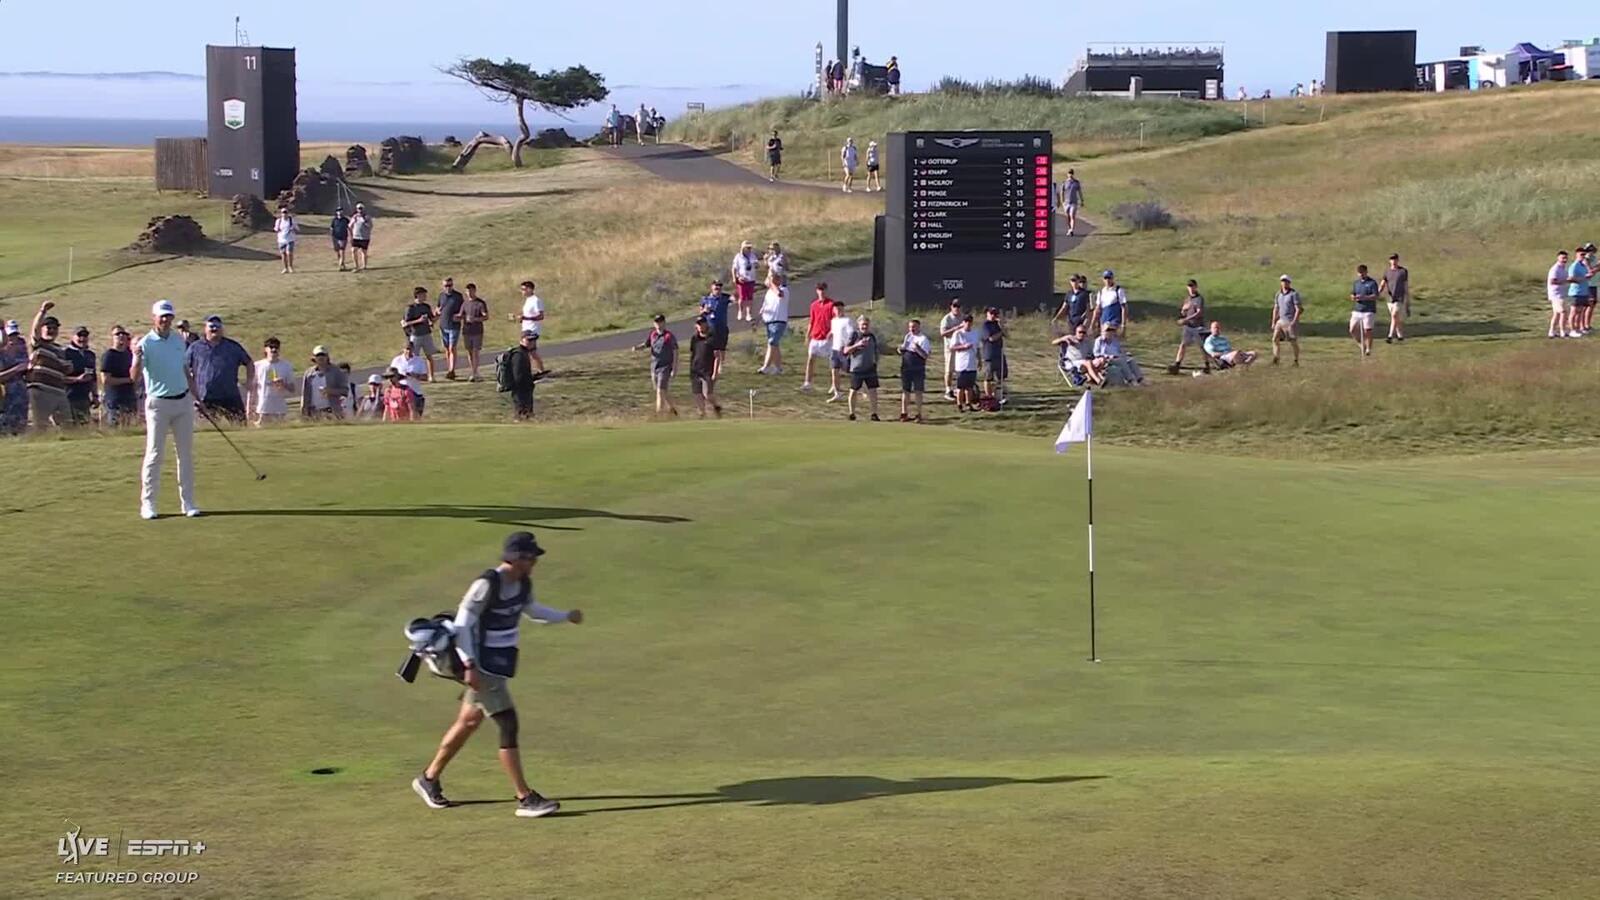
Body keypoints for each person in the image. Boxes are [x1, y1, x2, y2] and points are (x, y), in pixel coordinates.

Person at [411, 531, 583, 819]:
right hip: (482, 667)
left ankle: (428, 779)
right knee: (508, 724)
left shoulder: (522, 583)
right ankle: (525, 797)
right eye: (531, 558)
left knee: (468, 722)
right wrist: (469, 665)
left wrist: (564, 616)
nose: (535, 563)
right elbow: (462, 627)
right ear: (517, 558)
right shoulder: (486, 585)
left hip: (498, 664)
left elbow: (533, 610)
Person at [130, 300, 200, 519]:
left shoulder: (179, 341)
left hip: (183, 401)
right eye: (162, 316)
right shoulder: (145, 343)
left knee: (185, 455)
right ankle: (148, 504)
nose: (165, 320)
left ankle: (188, 503)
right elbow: (134, 377)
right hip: (158, 405)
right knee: (154, 454)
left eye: (169, 316)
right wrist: (136, 358)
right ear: (154, 318)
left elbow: (185, 371)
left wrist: (196, 396)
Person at [187, 315, 254, 423]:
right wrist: (191, 391)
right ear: (205, 328)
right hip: (205, 396)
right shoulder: (195, 347)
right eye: (211, 326)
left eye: (218, 326)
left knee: (240, 426)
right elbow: (184, 367)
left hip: (230, 395)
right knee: (207, 427)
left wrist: (249, 381)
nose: (215, 329)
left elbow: (249, 362)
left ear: (222, 329)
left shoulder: (232, 347)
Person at [23, 302, 73, 430]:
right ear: (42, 329)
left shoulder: (60, 350)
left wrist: (68, 368)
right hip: (41, 390)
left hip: (59, 391)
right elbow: (34, 329)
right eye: (48, 327)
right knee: (40, 425)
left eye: (55, 328)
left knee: (67, 425)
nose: (52, 330)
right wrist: (42, 311)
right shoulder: (38, 344)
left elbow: (66, 369)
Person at [632, 314, 678, 416]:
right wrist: (637, 348)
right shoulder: (653, 335)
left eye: (660, 322)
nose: (658, 324)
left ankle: (659, 413)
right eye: (657, 322)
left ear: (664, 323)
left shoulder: (669, 336)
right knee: (662, 390)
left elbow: (675, 351)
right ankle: (673, 409)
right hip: (654, 366)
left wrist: (674, 367)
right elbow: (647, 344)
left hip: (665, 366)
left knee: (660, 390)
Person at [842, 315, 881, 422]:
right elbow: (845, 350)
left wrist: (875, 362)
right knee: (853, 390)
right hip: (856, 368)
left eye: (866, 324)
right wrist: (857, 345)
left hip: (870, 368)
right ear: (858, 325)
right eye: (863, 324)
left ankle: (874, 413)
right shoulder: (854, 336)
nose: (865, 326)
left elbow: (876, 351)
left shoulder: (872, 336)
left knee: (873, 391)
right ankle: (852, 413)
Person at [801, 281, 837, 392]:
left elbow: (835, 320)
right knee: (811, 359)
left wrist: (832, 332)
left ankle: (834, 384)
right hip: (815, 336)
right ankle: (807, 382)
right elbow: (811, 321)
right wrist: (807, 335)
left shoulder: (831, 304)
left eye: (823, 289)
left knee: (833, 362)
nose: (821, 292)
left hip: (827, 337)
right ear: (817, 291)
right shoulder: (813, 305)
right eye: (819, 290)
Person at [99, 325, 138, 427]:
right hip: (115, 399)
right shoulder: (109, 355)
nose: (121, 336)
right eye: (117, 334)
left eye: (123, 333)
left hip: (129, 397)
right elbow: (106, 379)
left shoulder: (129, 354)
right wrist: (128, 380)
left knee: (131, 428)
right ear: (112, 337)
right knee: (115, 428)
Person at [1169, 279, 1208, 375]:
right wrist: (1183, 312)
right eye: (1189, 286)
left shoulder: (1199, 299)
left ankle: (1207, 365)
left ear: (1196, 287)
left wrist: (1186, 319)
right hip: (1188, 326)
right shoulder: (1188, 299)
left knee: (1202, 347)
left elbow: (1199, 313)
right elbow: (1184, 311)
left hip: (1198, 326)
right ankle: (1177, 365)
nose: (1191, 288)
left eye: (1192, 286)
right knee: (1183, 345)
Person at [300, 345, 348, 420]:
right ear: (314, 357)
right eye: (318, 355)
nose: (321, 357)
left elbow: (345, 391)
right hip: (313, 412)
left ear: (327, 356)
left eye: (323, 355)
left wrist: (330, 391)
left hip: (332, 411)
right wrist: (304, 411)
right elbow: (305, 394)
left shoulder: (336, 371)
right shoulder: (308, 374)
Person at [896, 318, 930, 423]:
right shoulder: (908, 336)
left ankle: (918, 414)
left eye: (914, 327)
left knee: (918, 391)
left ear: (919, 327)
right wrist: (900, 349)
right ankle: (904, 413)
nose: (912, 329)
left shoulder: (923, 339)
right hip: (906, 367)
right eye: (910, 327)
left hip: (918, 368)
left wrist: (917, 349)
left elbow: (925, 356)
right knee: (905, 391)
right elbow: (904, 348)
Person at [401, 287, 439, 382]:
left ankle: (431, 376)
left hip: (426, 334)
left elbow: (432, 319)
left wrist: (438, 315)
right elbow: (405, 323)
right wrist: (419, 320)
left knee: (429, 356)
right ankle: (413, 375)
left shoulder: (426, 306)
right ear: (417, 295)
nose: (425, 296)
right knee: (414, 357)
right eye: (423, 294)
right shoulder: (411, 308)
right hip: (415, 335)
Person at [253, 337, 294, 425]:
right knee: (260, 427)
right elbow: (252, 387)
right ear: (266, 349)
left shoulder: (287, 366)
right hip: (263, 406)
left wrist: (283, 384)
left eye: (276, 347)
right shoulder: (257, 365)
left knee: (280, 428)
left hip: (279, 407)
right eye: (271, 347)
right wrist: (250, 406)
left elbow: (292, 389)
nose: (274, 349)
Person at [63, 325, 98, 425]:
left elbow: (93, 378)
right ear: (73, 337)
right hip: (68, 397)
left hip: (84, 398)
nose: (82, 338)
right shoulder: (65, 353)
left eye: (85, 336)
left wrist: (95, 396)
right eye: (79, 335)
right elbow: (58, 377)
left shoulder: (90, 355)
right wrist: (77, 379)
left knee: (84, 426)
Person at [688, 317, 722, 418]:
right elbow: (693, 354)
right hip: (696, 370)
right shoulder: (694, 339)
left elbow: (717, 356)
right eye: (698, 324)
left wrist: (715, 372)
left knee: (707, 394)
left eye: (702, 324)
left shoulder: (712, 338)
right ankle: (702, 414)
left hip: (707, 370)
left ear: (706, 324)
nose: (700, 326)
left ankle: (716, 406)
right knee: (697, 394)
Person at [699, 279, 734, 379]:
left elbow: (734, 298)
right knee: (712, 347)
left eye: (719, 287)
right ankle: (710, 364)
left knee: (722, 347)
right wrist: (705, 310)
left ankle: (721, 365)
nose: (718, 290)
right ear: (712, 287)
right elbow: (700, 313)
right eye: (716, 287)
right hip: (710, 326)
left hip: (722, 325)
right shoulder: (706, 299)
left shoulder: (725, 297)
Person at [511, 280, 548, 372]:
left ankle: (525, 371)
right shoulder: (528, 300)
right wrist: (520, 318)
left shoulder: (536, 300)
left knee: (524, 349)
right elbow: (528, 315)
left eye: (524, 289)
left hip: (532, 329)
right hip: (526, 328)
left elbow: (541, 316)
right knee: (532, 352)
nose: (522, 292)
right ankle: (541, 370)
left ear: (530, 289)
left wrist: (526, 318)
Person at [506, 331, 541, 420]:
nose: (532, 342)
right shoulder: (518, 355)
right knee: (521, 414)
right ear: (521, 340)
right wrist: (529, 381)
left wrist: (533, 378)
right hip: (520, 391)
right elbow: (518, 375)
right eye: (529, 340)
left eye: (533, 340)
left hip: (525, 389)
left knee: (527, 414)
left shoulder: (524, 353)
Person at [757, 273, 788, 375]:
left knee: (772, 343)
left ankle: (766, 367)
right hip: (769, 321)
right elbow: (764, 307)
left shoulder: (784, 290)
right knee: (774, 345)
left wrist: (771, 282)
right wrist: (759, 317)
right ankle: (778, 368)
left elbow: (779, 294)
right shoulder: (769, 293)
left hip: (779, 321)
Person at [389, 342, 430, 417]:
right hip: (401, 393)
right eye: (407, 349)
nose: (409, 351)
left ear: (413, 349)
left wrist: (414, 375)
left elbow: (425, 377)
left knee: (416, 416)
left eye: (410, 349)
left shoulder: (419, 361)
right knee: (401, 416)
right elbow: (391, 375)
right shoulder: (397, 360)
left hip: (416, 393)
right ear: (403, 349)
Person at [0, 321, 27, 435]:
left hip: (21, 393)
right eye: (10, 336)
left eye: (15, 335)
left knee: (21, 425)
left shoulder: (22, 349)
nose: (13, 339)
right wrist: (17, 369)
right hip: (5, 394)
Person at [827, 300, 856, 403]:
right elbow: (834, 331)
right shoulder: (833, 321)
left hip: (844, 349)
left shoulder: (847, 320)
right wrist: (830, 334)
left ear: (843, 309)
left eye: (840, 309)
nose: (838, 311)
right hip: (835, 349)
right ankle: (837, 392)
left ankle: (861, 387)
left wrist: (847, 345)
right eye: (836, 309)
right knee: (834, 370)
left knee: (850, 371)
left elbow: (852, 333)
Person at [436, 276, 465, 380]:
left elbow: (463, 310)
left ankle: (452, 370)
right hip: (443, 325)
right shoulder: (441, 296)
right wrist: (437, 311)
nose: (448, 287)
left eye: (450, 285)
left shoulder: (458, 296)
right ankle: (449, 368)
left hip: (454, 326)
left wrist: (459, 316)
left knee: (452, 348)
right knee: (447, 349)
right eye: (446, 286)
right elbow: (438, 308)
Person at [949, 315, 981, 412]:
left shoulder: (975, 333)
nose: (968, 323)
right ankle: (959, 405)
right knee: (961, 386)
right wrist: (963, 346)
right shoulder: (958, 333)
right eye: (966, 321)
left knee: (970, 386)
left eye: (970, 321)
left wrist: (979, 360)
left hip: (972, 363)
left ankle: (969, 403)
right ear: (963, 322)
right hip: (961, 364)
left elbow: (978, 348)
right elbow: (952, 347)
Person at [460, 283, 491, 382]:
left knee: (475, 351)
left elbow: (486, 316)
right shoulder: (465, 303)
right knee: (469, 351)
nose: (469, 293)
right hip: (467, 330)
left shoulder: (480, 303)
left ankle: (475, 372)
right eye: (467, 291)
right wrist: (457, 317)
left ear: (475, 291)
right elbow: (461, 314)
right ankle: (473, 370)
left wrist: (475, 319)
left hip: (477, 330)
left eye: (471, 291)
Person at [1271, 275, 1303, 366]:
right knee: (1275, 339)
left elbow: (1298, 309)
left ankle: (1296, 360)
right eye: (1282, 281)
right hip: (1280, 320)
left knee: (1293, 341)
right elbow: (1276, 308)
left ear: (1289, 283)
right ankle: (1276, 358)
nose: (1284, 283)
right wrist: (1273, 321)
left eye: (1286, 281)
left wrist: (1294, 322)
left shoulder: (1294, 294)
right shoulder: (1278, 294)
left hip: (1289, 321)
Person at [1349, 264, 1380, 357]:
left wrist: (1364, 297)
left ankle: (1368, 349)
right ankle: (1361, 344)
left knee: (1367, 330)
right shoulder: (1356, 283)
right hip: (1357, 310)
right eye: (1359, 273)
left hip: (1368, 310)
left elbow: (1375, 296)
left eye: (1362, 273)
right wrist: (1353, 297)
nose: (1361, 275)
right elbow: (1352, 293)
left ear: (1366, 272)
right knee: (1352, 329)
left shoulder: (1372, 283)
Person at [1379, 253, 1410, 343]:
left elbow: (1405, 285)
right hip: (1390, 298)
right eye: (1392, 259)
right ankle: (1400, 336)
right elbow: (1383, 283)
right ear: (1389, 261)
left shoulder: (1403, 271)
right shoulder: (1387, 272)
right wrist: (1378, 292)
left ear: (1397, 260)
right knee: (1396, 318)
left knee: (1394, 315)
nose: (1393, 261)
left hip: (1399, 297)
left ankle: (1390, 336)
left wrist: (1407, 298)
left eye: (1395, 259)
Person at [980, 307, 1007, 407]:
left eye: (995, 314)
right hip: (989, 354)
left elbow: (1007, 335)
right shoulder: (985, 325)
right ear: (987, 314)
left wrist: (1002, 326)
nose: (993, 316)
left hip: (999, 353)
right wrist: (1001, 333)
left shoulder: (997, 324)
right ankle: (989, 397)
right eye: (991, 313)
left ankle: (998, 395)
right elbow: (991, 338)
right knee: (989, 376)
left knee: (1001, 375)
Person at [938, 299, 964, 401]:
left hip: (961, 347)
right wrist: (956, 328)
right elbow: (943, 333)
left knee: (960, 369)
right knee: (949, 369)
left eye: (958, 306)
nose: (956, 308)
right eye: (955, 306)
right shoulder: (947, 318)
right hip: (950, 348)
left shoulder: (963, 317)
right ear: (951, 307)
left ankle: (959, 389)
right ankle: (948, 390)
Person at [1566, 244, 1593, 338]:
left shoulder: (1583, 265)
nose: (1583, 256)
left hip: (1583, 291)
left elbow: (1588, 275)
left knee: (1580, 311)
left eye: (1584, 255)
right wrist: (1583, 278)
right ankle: (1572, 330)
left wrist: (1588, 275)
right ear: (1577, 255)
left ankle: (1577, 329)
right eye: (1581, 254)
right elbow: (1570, 279)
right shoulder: (1574, 266)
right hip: (1575, 292)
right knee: (1573, 312)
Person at [1093, 270, 1128, 337]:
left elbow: (1124, 308)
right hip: (1103, 321)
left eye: (1109, 278)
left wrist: (1123, 325)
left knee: (1112, 339)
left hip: (1115, 322)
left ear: (1112, 278)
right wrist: (1093, 324)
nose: (1107, 280)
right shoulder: (1101, 292)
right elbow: (1097, 309)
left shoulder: (1118, 290)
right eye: (1105, 278)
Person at [1547, 250, 1573, 339]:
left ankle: (1552, 331)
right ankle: (1563, 331)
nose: (1564, 260)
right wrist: (1565, 281)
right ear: (1558, 258)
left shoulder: (1563, 268)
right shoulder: (1555, 269)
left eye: (1566, 258)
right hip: (1556, 294)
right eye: (1563, 258)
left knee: (1557, 314)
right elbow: (1552, 281)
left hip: (1563, 293)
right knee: (1563, 312)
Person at [731, 242, 759, 323]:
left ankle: (748, 314)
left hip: (751, 279)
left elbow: (757, 265)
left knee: (750, 297)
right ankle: (740, 311)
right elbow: (734, 268)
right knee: (742, 297)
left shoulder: (752, 255)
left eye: (750, 248)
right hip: (742, 279)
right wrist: (735, 278)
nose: (749, 249)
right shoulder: (738, 257)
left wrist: (756, 264)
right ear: (743, 248)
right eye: (747, 248)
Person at [1059, 169, 1084, 237]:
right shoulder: (1064, 182)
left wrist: (1082, 200)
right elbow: (1062, 192)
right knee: (1068, 217)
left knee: (1072, 215)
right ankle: (1069, 229)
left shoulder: (1076, 182)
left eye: (1071, 173)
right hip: (1066, 202)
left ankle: (1072, 230)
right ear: (1067, 174)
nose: (1070, 175)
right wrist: (1062, 201)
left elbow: (1079, 191)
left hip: (1074, 202)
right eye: (1069, 173)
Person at [274, 206, 298, 274]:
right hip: (281, 240)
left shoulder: (291, 220)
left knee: (289, 253)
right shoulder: (278, 221)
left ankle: (290, 267)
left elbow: (297, 229)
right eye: (283, 212)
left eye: (286, 212)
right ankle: (285, 268)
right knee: (283, 254)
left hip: (290, 239)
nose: (284, 214)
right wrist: (277, 229)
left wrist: (293, 229)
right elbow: (276, 229)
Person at [349, 204, 373, 272]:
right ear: (357, 209)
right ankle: (356, 266)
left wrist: (364, 220)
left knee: (364, 252)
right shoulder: (355, 217)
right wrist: (351, 234)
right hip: (356, 237)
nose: (360, 210)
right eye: (359, 209)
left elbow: (370, 226)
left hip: (364, 237)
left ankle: (364, 266)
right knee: (353, 250)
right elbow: (350, 226)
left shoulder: (367, 217)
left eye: (361, 208)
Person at [330, 206, 351, 271]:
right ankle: (342, 264)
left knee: (342, 250)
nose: (339, 212)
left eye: (341, 210)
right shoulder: (334, 220)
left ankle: (340, 265)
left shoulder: (346, 219)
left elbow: (349, 227)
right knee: (338, 252)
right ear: (336, 212)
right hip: (335, 238)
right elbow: (331, 228)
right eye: (338, 211)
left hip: (343, 237)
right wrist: (332, 236)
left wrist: (351, 235)